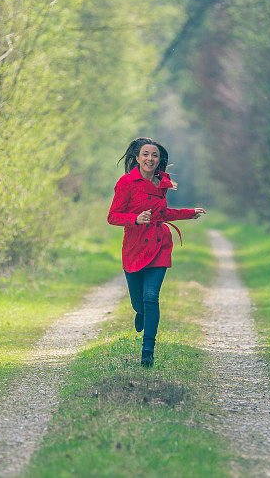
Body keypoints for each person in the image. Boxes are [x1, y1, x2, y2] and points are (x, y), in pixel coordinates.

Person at [107, 137, 205, 367]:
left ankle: (147, 351)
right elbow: (113, 216)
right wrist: (135, 219)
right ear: (137, 158)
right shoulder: (126, 182)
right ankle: (140, 313)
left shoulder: (162, 183)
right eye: (146, 154)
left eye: (154, 155)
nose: (150, 159)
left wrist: (188, 213)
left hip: (159, 246)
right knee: (139, 303)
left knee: (151, 298)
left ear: (159, 160)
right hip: (134, 246)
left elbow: (162, 214)